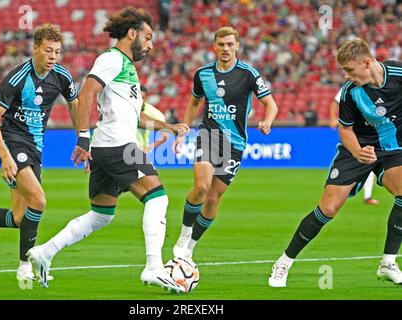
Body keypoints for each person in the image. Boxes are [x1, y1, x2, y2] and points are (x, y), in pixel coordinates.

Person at [27, 7, 190, 293]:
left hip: (110, 145)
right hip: (117, 145)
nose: (150, 45)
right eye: (148, 37)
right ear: (132, 33)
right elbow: (86, 93)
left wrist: (169, 127)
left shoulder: (127, 69)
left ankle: (45, 252)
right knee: (158, 199)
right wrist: (82, 138)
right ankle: (153, 267)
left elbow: (137, 117)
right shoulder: (112, 59)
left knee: (101, 215)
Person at [269, 38, 402, 287]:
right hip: (358, 148)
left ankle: (388, 263)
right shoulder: (352, 92)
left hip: (393, 148)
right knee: (328, 208)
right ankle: (283, 263)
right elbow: (345, 129)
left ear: (366, 62)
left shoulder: (398, 74)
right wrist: (357, 151)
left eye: (349, 70)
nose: (347, 76)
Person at [0, 24, 78, 282]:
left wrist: (83, 139)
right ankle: (25, 265)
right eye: (48, 50)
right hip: (13, 144)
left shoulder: (62, 76)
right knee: (39, 200)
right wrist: (5, 156)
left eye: (57, 51)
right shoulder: (18, 77)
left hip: (36, 148)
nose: (53, 56)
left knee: (20, 217)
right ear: (35, 49)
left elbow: (75, 105)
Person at [172, 26, 278, 260]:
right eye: (221, 44)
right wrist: (183, 129)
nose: (226, 49)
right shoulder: (203, 74)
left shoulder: (249, 74)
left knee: (213, 198)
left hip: (235, 144)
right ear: (215, 46)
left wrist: (267, 121)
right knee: (201, 187)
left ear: (237, 46)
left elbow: (271, 104)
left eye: (230, 44)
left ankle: (191, 246)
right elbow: (193, 103)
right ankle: (184, 232)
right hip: (208, 135)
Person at [329, 87, 379, 205]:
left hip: (374, 134)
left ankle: (367, 195)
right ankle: (342, 188)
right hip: (355, 134)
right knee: (364, 160)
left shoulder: (381, 84)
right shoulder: (351, 86)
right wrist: (332, 118)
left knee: (370, 161)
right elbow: (335, 102)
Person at [136, 87, 168, 153]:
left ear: (146, 98)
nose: (140, 100)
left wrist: (149, 148)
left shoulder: (155, 113)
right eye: (138, 97)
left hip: (141, 153)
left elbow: (165, 135)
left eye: (142, 97)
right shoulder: (127, 108)